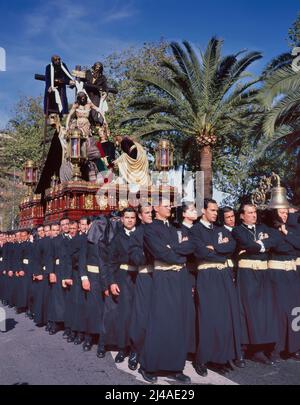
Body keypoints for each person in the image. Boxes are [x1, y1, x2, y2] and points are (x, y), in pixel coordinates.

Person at [139, 199, 193, 383]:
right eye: (166, 205)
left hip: (180, 278)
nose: (170, 207)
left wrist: (173, 248)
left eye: (170, 205)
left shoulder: (176, 228)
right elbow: (160, 252)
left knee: (178, 321)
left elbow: (189, 247)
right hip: (163, 277)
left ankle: (175, 367)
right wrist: (177, 255)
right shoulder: (150, 229)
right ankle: (150, 366)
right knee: (159, 320)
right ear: (155, 208)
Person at [190, 199, 242, 376]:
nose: (215, 213)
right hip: (207, 276)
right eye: (212, 210)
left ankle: (220, 358)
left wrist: (215, 248)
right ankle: (202, 359)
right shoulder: (195, 230)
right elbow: (200, 251)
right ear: (203, 211)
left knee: (224, 317)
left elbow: (231, 246)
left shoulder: (220, 230)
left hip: (224, 276)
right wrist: (219, 253)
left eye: (216, 210)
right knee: (207, 318)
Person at [232, 203, 279, 365]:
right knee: (246, 310)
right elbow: (247, 244)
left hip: (263, 274)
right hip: (247, 275)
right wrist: (262, 245)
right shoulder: (238, 230)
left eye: (255, 212)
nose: (254, 215)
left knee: (263, 312)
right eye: (250, 213)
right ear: (242, 215)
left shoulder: (263, 227)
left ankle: (259, 350)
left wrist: (258, 245)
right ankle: (242, 350)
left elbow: (276, 239)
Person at [266, 208, 300, 360]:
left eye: (287, 212)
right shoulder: (269, 230)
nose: (285, 215)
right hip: (277, 274)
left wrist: (287, 234)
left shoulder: (292, 230)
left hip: (291, 273)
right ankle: (275, 347)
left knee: (295, 310)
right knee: (279, 311)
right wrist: (292, 245)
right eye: (281, 212)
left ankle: (293, 347)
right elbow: (280, 247)